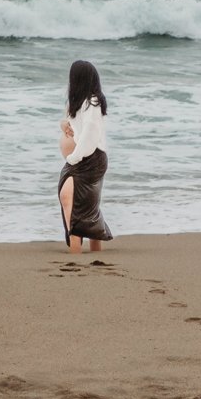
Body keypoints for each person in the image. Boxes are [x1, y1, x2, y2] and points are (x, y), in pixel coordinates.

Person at [57, 59, 113, 254]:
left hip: (91, 160)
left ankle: (77, 253)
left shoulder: (93, 102)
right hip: (81, 159)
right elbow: (72, 124)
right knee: (75, 202)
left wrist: (75, 156)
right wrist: (63, 125)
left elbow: (90, 133)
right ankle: (81, 250)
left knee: (80, 204)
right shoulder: (78, 102)